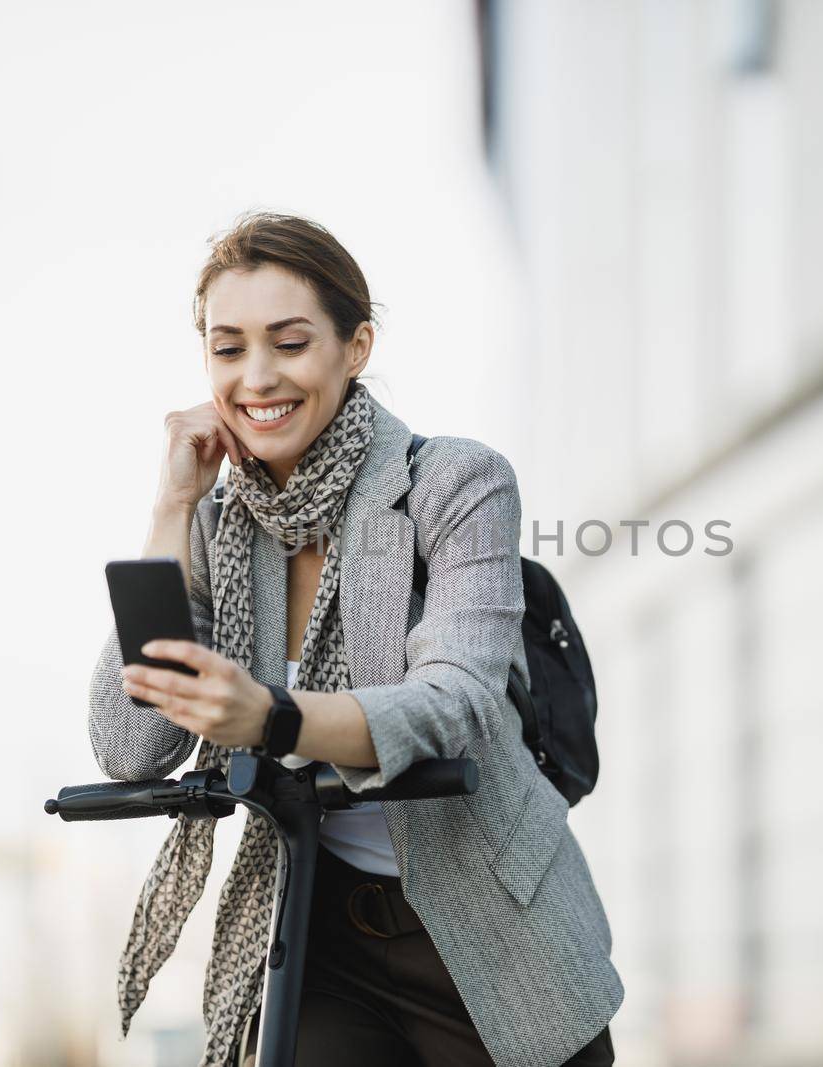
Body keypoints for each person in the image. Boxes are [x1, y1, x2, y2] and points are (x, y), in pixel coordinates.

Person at [87, 211, 622, 1067]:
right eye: (228, 349)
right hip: (325, 932)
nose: (256, 376)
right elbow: (133, 742)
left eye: (289, 342)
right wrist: (173, 507)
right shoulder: (222, 523)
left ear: (356, 346)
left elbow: (454, 704)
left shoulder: (453, 483)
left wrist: (272, 716)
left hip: (489, 928)